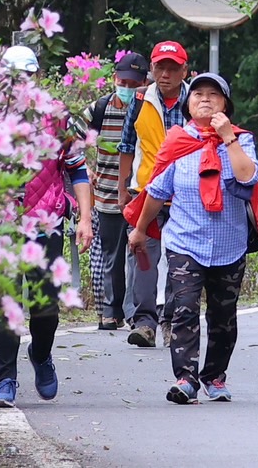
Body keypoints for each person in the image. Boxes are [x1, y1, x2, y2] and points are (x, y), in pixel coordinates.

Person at [128, 72, 258, 405]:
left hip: (229, 245)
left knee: (223, 316)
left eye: (214, 95)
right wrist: (141, 229)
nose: (205, 99)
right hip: (185, 243)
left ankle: (214, 377)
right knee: (184, 310)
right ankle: (185, 378)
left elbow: (248, 177)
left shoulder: (241, 140)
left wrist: (227, 137)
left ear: (226, 105)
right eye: (198, 93)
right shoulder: (178, 141)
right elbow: (157, 191)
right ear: (189, 104)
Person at [0, 45, 94, 407]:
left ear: (36, 77)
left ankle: (41, 354)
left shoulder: (58, 118)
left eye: (26, 75)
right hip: (1, 225)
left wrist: (84, 218)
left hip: (45, 224)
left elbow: (77, 169)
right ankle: (5, 381)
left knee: (45, 306)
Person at [116, 40, 190, 348]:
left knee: (181, 260)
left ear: (184, 70)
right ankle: (144, 322)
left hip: (187, 193)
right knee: (143, 254)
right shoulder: (141, 98)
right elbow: (127, 145)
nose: (166, 74)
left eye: (173, 69)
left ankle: (170, 320)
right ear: (152, 69)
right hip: (147, 189)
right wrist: (122, 189)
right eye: (160, 67)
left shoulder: (196, 98)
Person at [89, 52, 150, 330]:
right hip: (106, 193)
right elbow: (71, 140)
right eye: (123, 81)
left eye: (134, 83)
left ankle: (137, 312)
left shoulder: (145, 108)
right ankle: (112, 311)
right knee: (112, 254)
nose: (128, 88)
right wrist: (84, 169)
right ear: (114, 79)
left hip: (139, 194)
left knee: (138, 254)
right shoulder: (99, 109)